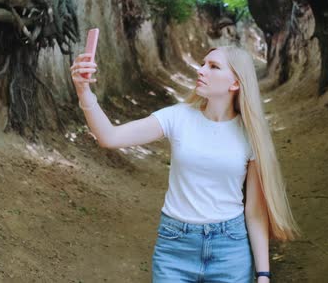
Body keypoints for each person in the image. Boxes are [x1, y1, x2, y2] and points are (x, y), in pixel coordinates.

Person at [70, 46, 300, 282]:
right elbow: (110, 137)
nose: (201, 70)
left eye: (213, 67)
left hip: (230, 250)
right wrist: (84, 92)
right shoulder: (177, 117)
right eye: (203, 63)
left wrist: (263, 275)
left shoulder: (250, 135)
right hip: (175, 246)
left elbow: (255, 212)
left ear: (235, 84)